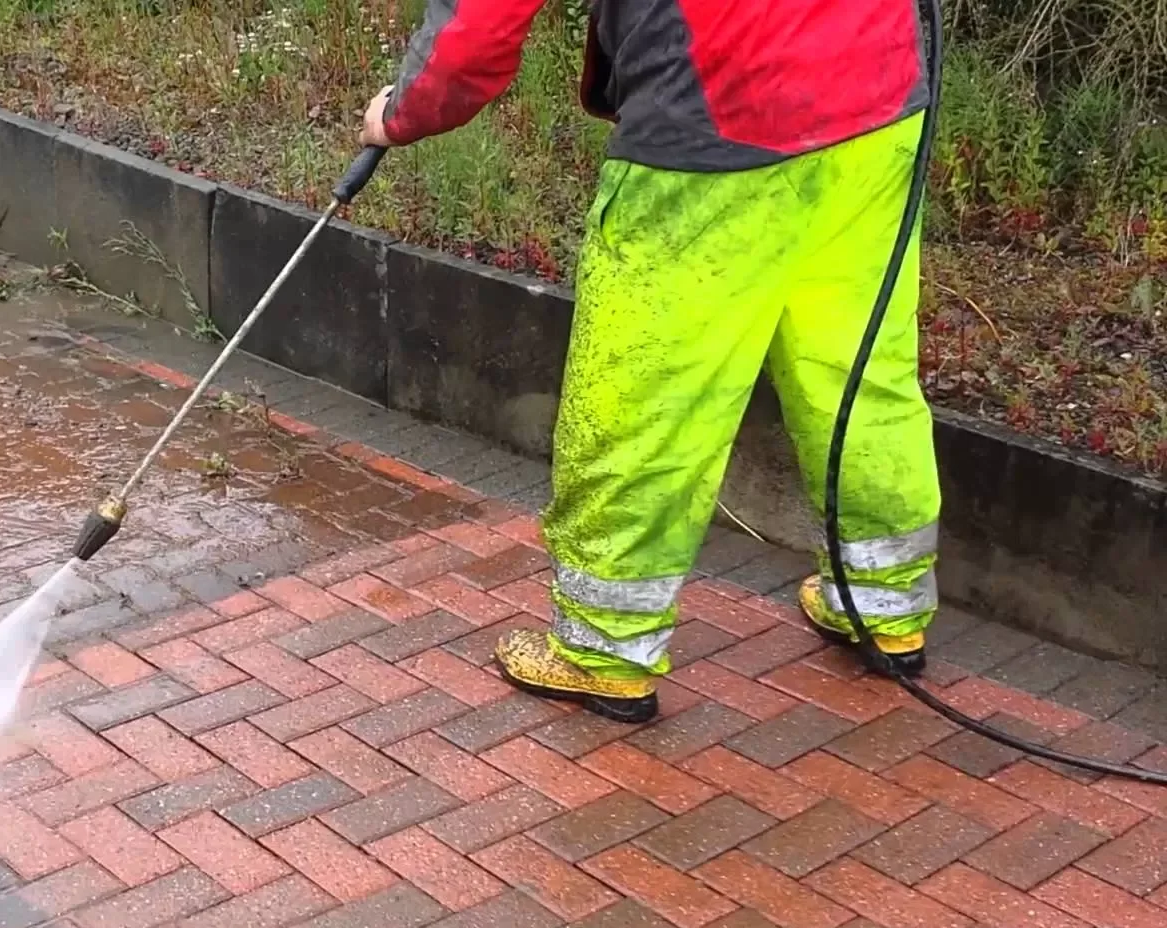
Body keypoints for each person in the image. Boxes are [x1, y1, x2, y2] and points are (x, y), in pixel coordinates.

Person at [358, 0, 942, 723]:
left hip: (716, 133)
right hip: (877, 105)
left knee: (643, 400)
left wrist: (405, 111)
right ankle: (884, 606)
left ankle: (606, 649)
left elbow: (479, 22)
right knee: (856, 370)